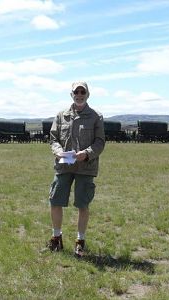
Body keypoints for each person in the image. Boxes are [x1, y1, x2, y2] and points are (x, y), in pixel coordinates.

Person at [47, 81, 105, 257]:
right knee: (55, 200)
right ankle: (56, 239)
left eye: (83, 92)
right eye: (76, 92)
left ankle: (80, 242)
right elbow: (53, 138)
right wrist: (58, 152)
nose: (79, 95)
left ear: (88, 94)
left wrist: (86, 153)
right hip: (64, 165)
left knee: (82, 204)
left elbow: (100, 142)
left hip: (85, 166)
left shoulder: (96, 116)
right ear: (71, 94)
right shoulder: (61, 116)